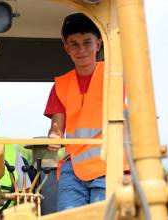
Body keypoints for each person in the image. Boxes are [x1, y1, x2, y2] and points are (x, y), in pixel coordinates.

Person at [43, 13, 128, 211]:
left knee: (102, 215)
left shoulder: (114, 77)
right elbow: (57, 128)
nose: (81, 49)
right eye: (74, 44)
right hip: (73, 169)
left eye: (86, 42)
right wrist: (54, 136)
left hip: (108, 164)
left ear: (98, 44)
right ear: (66, 48)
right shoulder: (61, 85)